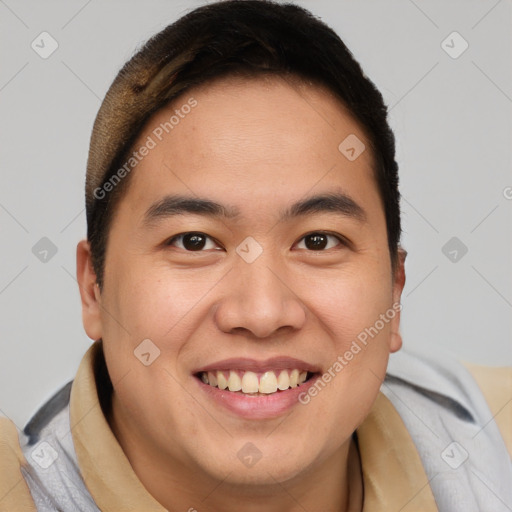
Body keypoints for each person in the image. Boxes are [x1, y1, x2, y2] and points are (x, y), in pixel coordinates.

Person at [1, 1, 510, 510]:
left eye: (318, 241)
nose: (263, 313)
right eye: (194, 241)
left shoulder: (494, 444)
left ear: (394, 293)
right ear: (94, 288)